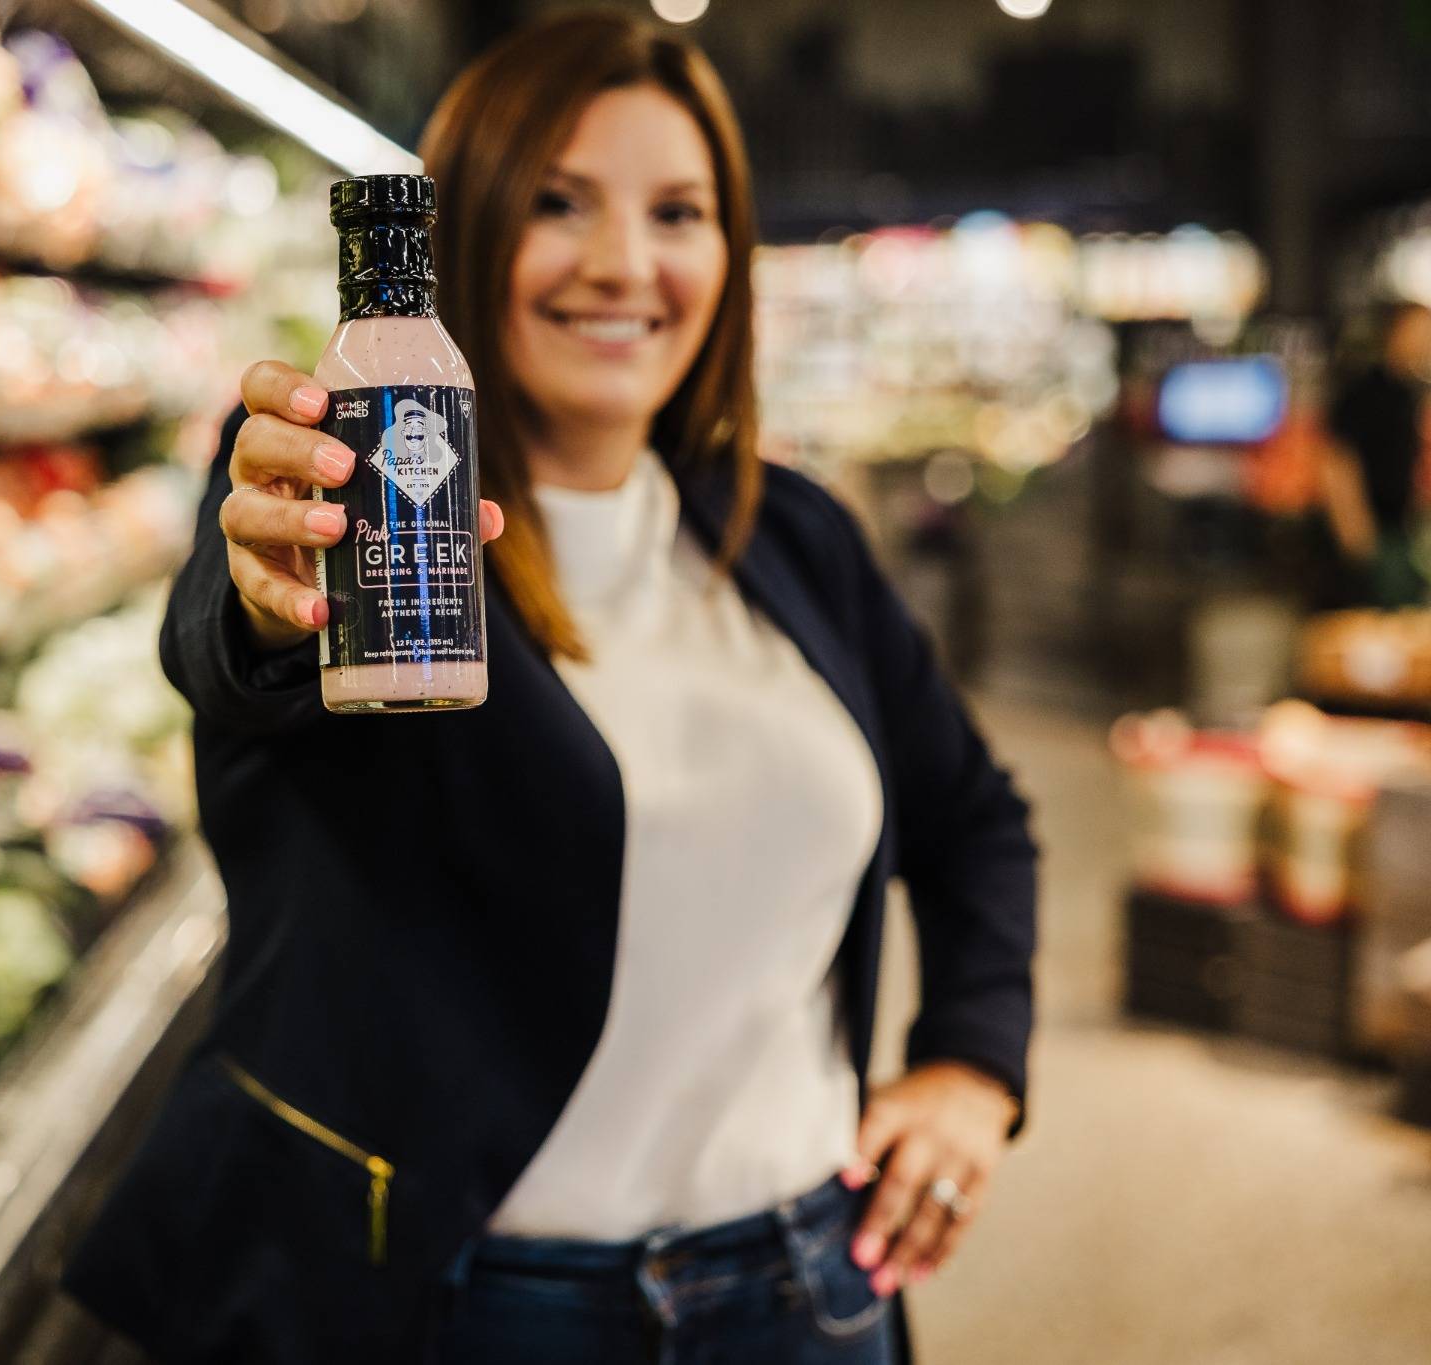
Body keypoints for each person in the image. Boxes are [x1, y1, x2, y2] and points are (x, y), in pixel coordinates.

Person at [62, 11, 1037, 1364]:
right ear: (457, 231)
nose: (624, 263)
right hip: (472, 1315)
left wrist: (971, 1062)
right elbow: (241, 651)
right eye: (560, 203)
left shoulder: (789, 534)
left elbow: (975, 813)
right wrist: (277, 596)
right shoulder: (363, 477)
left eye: (680, 212)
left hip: (810, 1292)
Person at [1324, 301, 1431, 608]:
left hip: (1403, 529)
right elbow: (1337, 461)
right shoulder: (1365, 391)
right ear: (1395, 334)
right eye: (1420, 331)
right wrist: (1356, 532)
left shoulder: (1410, 392)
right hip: (1374, 532)